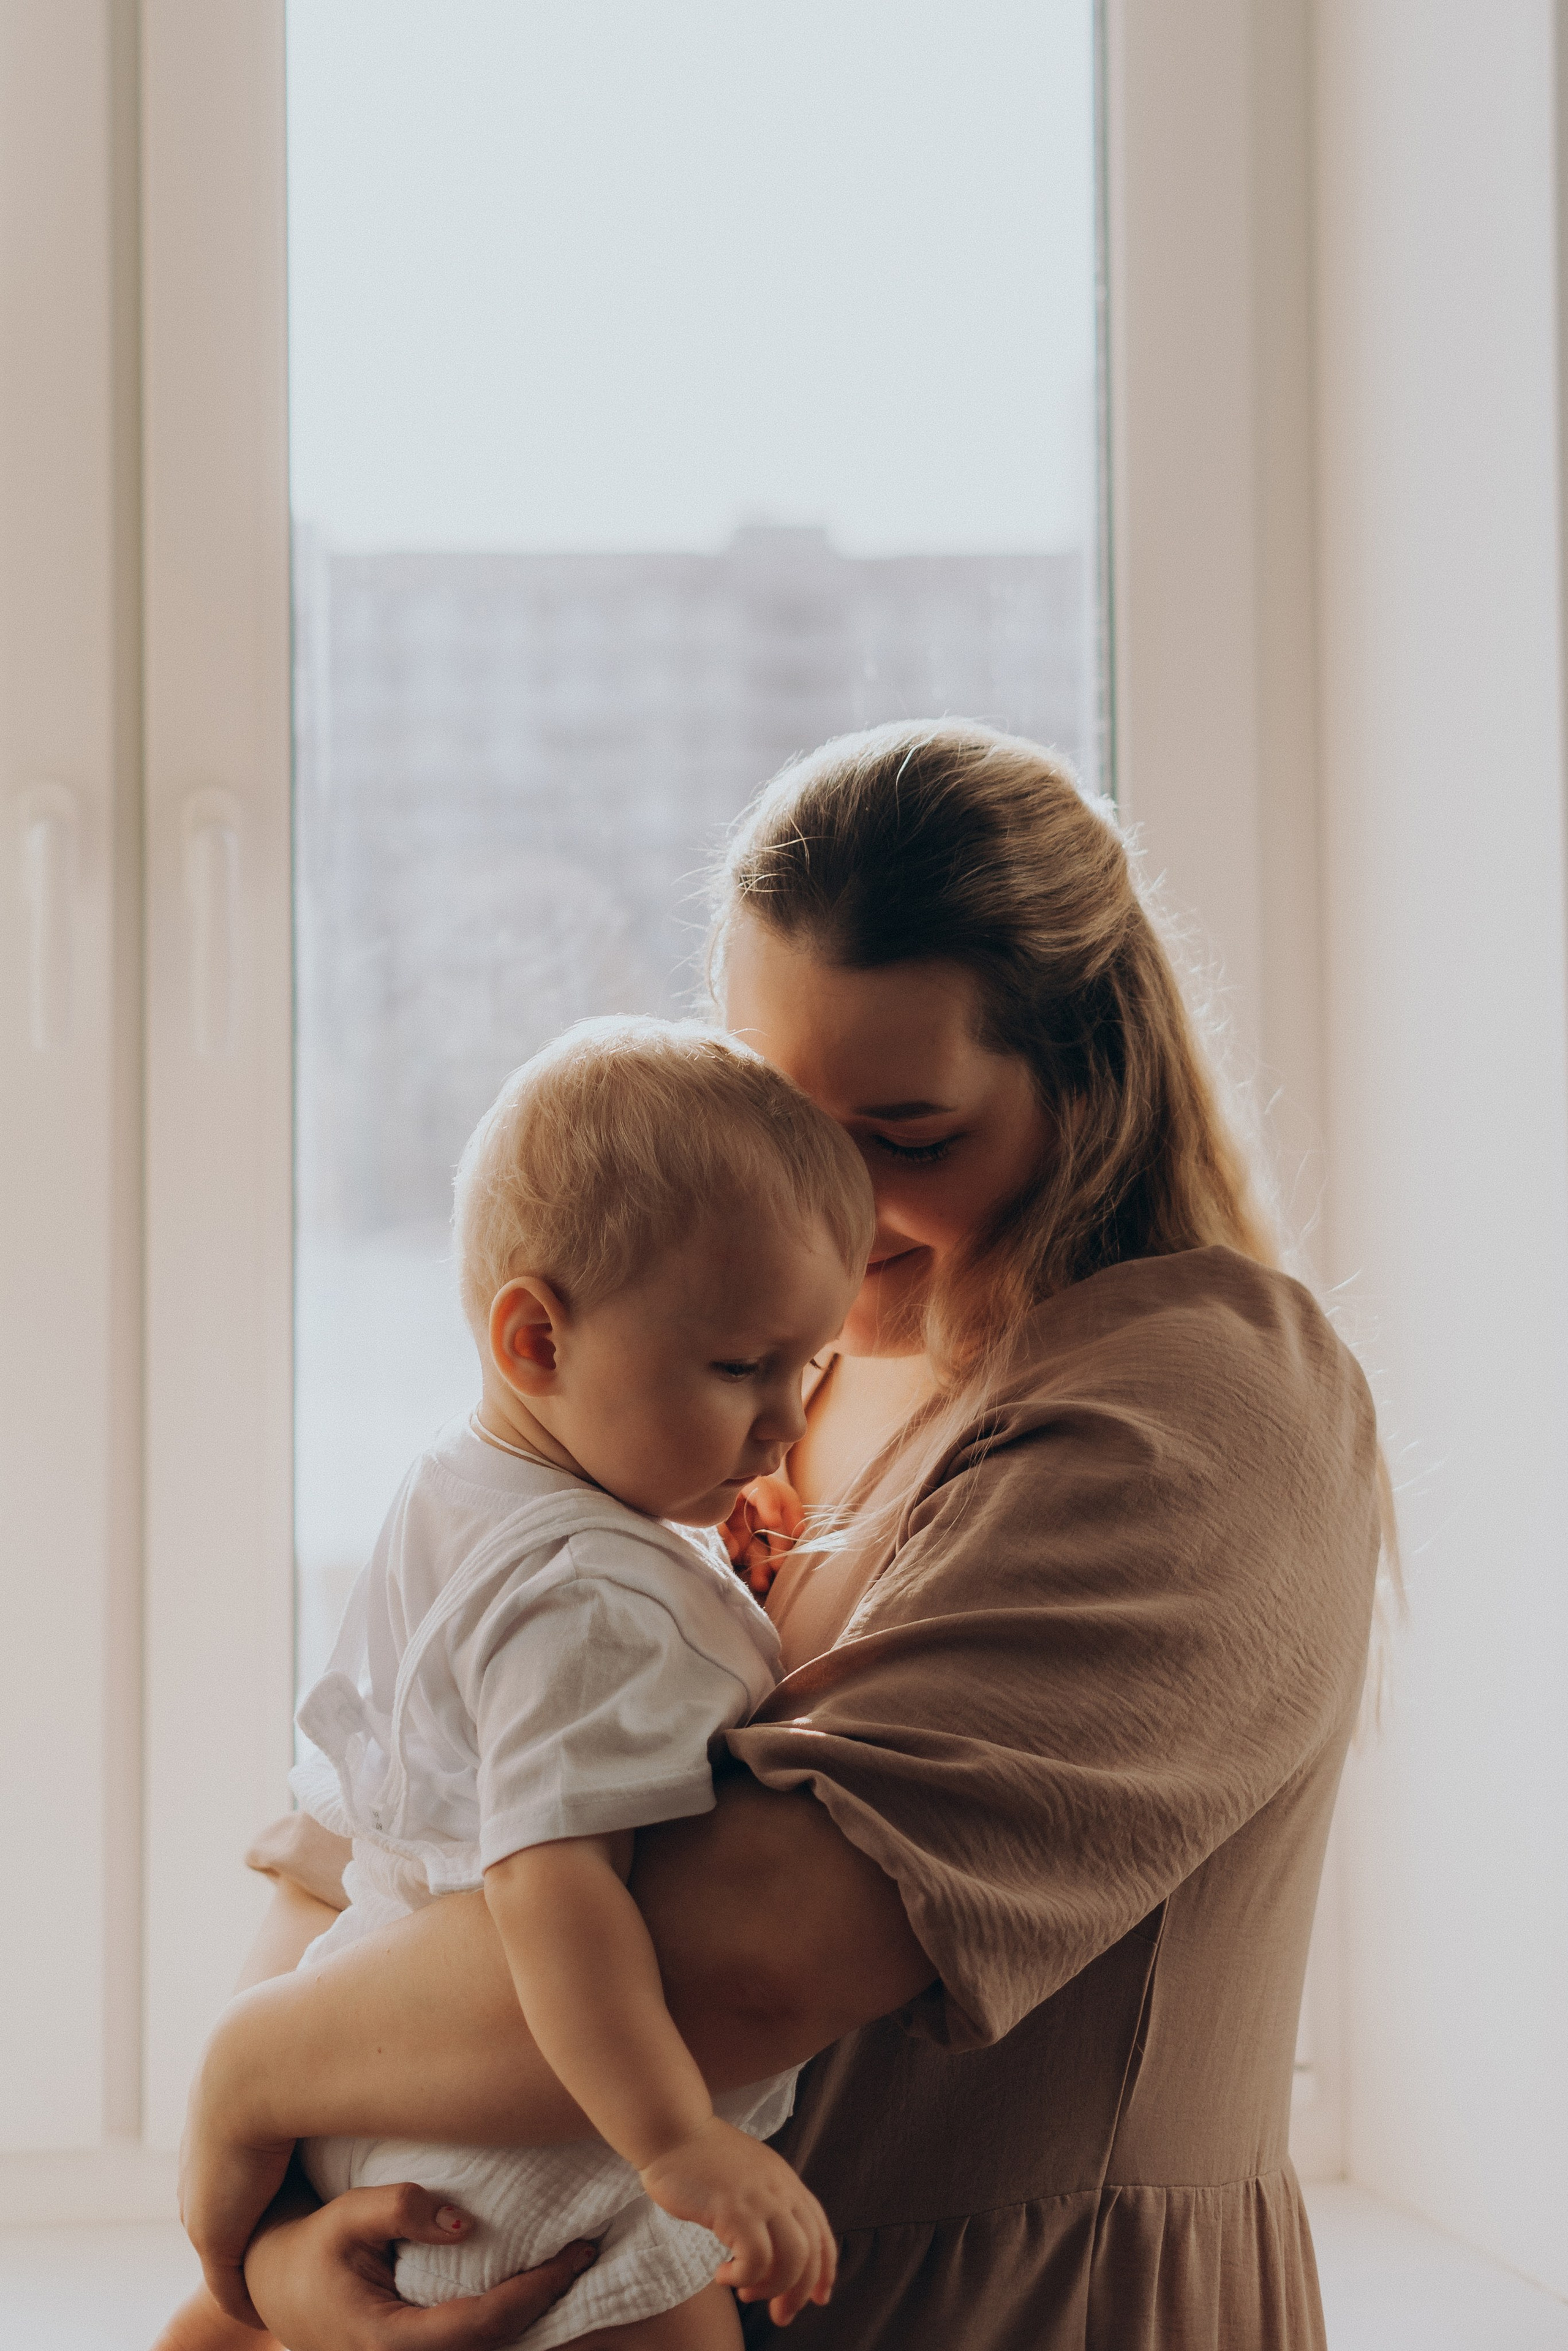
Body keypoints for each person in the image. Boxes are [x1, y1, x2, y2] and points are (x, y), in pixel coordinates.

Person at [172, 722, 1384, 2351]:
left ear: (1094, 1072)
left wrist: (255, 2072)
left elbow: (748, 1946)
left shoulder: (1195, 1399)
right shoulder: (747, 1374)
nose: (837, 1202)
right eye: (781, 1108)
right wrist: (287, 2246)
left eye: (911, 1131)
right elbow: (382, 1803)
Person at [165, 1021, 870, 2351]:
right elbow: (552, 1891)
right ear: (535, 1334)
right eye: (738, 1368)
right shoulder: (589, 1597)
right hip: (527, 2162)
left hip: (367, 2059)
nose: (783, 1421)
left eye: (808, 1367)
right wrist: (675, 2143)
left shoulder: (463, 1480)